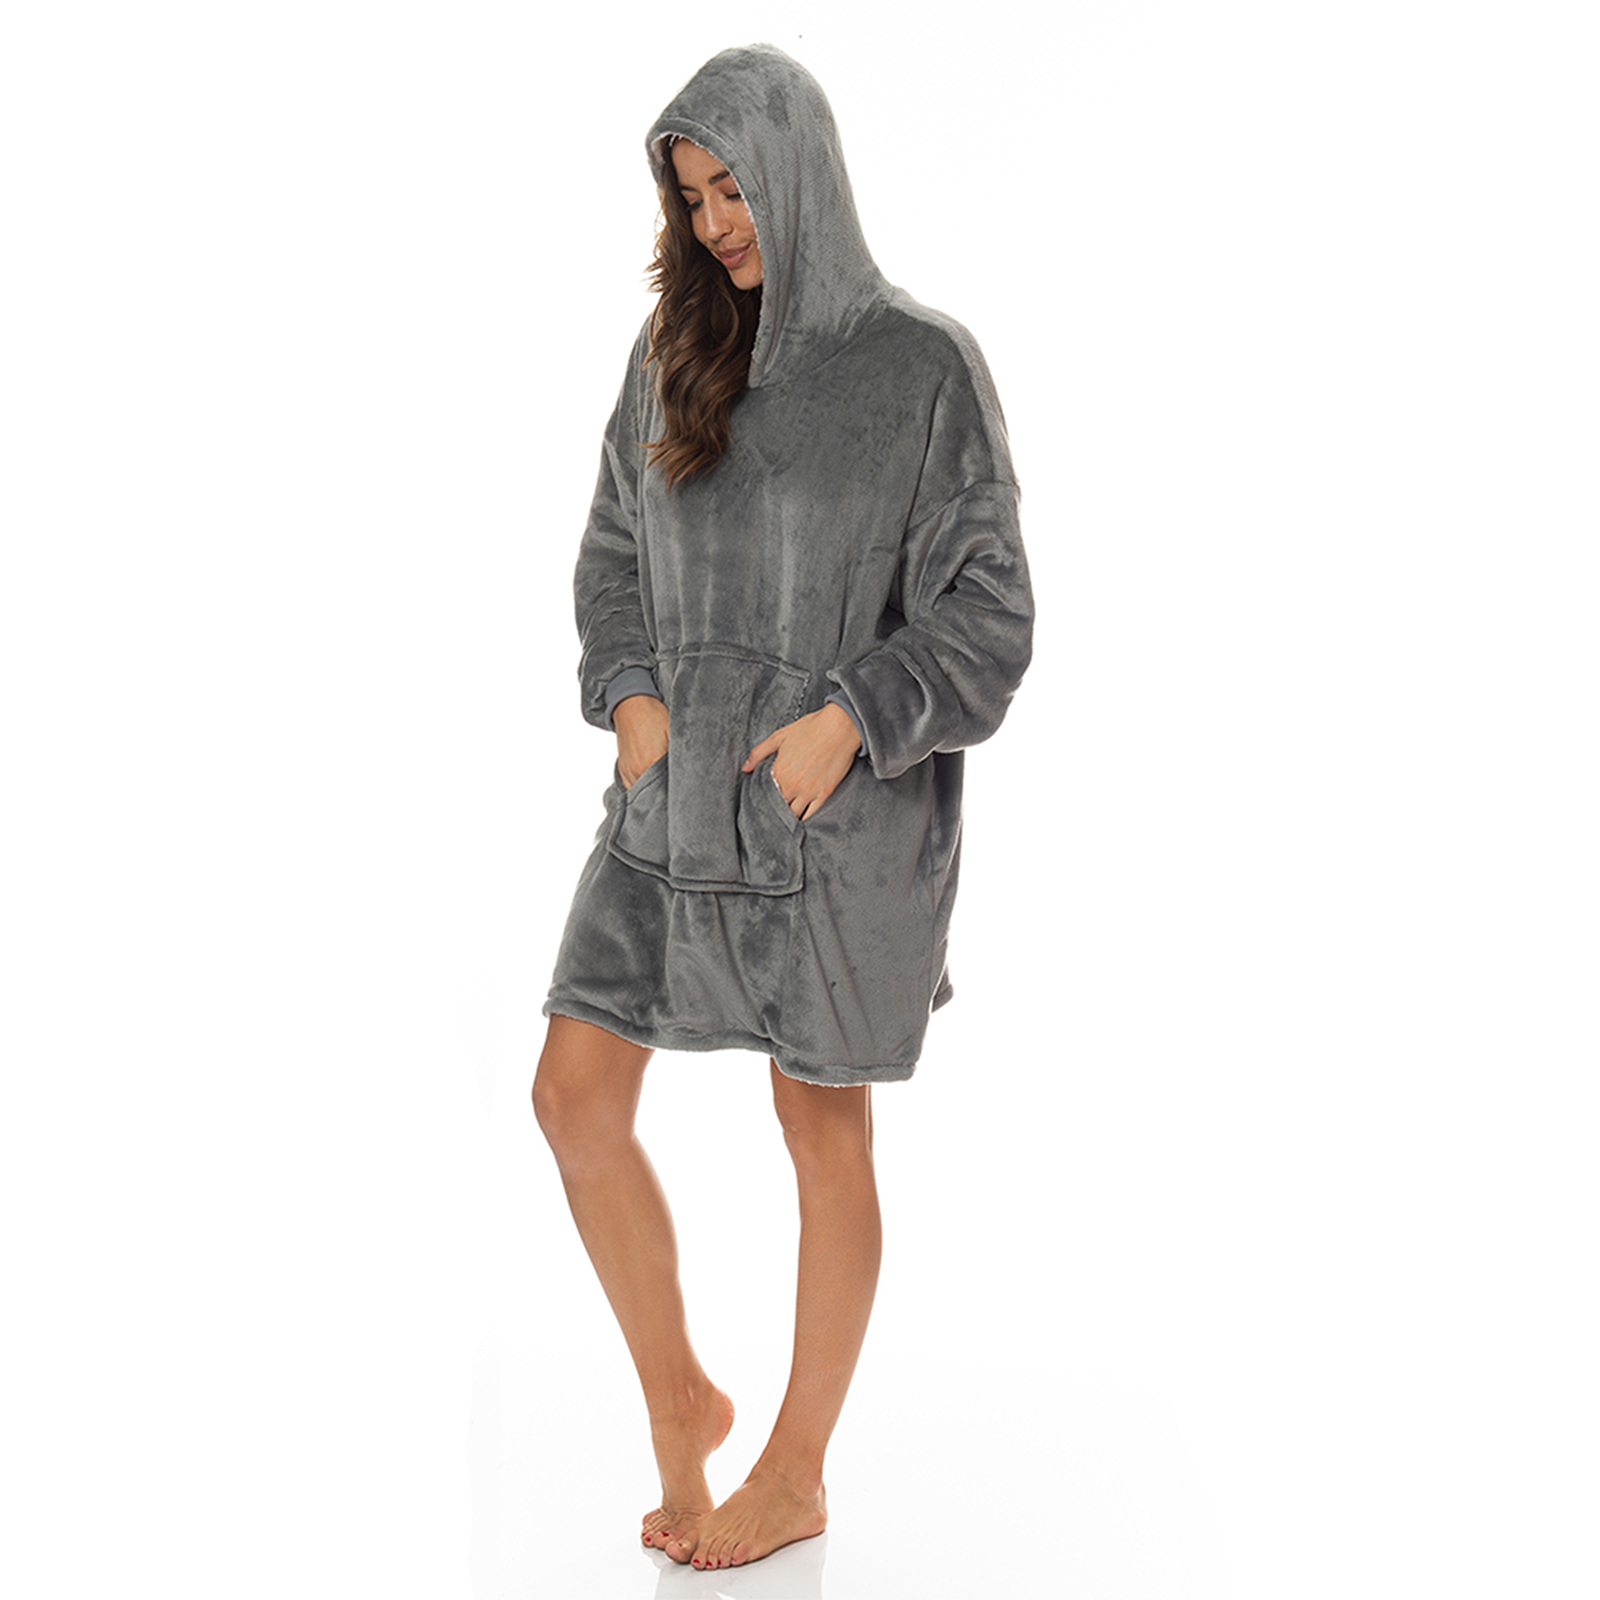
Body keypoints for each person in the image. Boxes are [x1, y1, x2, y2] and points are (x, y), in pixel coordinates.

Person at [532, 44, 1033, 1571]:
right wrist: (632, 698)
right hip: (670, 807)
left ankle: (798, 1471)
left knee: (819, 1127)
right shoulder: (672, 354)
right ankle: (680, 1395)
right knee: (572, 1095)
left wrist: (853, 718)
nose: (717, 223)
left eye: (736, 188)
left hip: (834, 828)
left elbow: (989, 615)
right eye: (693, 198)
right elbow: (613, 556)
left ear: (801, 171)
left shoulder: (920, 368)